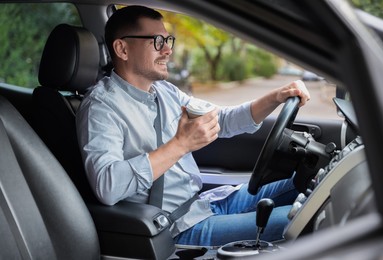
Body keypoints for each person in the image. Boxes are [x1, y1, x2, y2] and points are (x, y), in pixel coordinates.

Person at [76, 5, 311, 247]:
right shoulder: (100, 108)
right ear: (122, 48)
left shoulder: (164, 91)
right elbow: (108, 185)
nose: (168, 50)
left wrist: (276, 96)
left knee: (308, 184)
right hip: (177, 226)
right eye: (157, 41)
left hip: (204, 203)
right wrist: (180, 144)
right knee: (306, 220)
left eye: (168, 40)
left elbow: (224, 120)